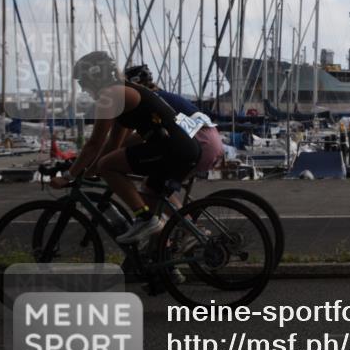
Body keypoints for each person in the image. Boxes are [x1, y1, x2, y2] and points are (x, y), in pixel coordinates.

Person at [50, 51, 201, 244]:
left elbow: (94, 143)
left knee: (108, 166)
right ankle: (186, 242)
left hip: (172, 149)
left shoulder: (110, 95)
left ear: (95, 76)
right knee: (149, 194)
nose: (82, 88)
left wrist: (69, 176)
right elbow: (113, 144)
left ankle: (144, 219)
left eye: (82, 81)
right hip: (181, 148)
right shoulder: (122, 91)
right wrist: (89, 172)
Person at [123, 64, 224, 176]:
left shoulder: (147, 101)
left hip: (200, 144)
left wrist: (118, 149)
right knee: (157, 184)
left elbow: (135, 137)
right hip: (214, 141)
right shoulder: (164, 95)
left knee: (116, 164)